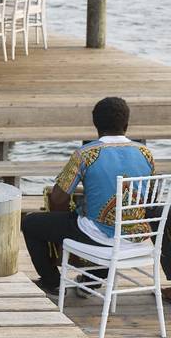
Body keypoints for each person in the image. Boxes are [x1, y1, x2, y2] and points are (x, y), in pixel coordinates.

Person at [21, 97, 156, 296]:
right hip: (134, 237)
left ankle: (53, 282)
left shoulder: (85, 154)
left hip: (98, 237)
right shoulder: (146, 154)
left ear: (96, 125)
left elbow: (58, 198)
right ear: (126, 125)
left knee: (30, 223)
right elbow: (148, 199)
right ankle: (91, 282)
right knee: (99, 224)